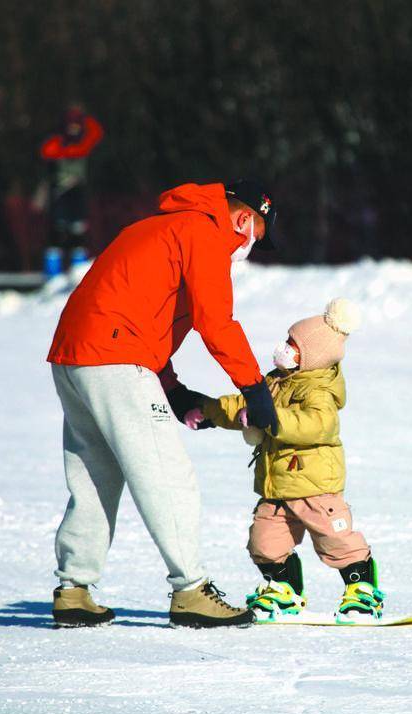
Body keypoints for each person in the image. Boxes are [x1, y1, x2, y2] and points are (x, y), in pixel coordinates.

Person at [47, 179, 278, 628]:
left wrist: (171, 388)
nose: (246, 250)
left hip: (75, 357)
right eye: (254, 240)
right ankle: (191, 590)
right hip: (115, 359)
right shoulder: (204, 232)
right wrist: (254, 388)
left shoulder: (158, 228)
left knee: (95, 474)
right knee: (166, 473)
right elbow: (217, 321)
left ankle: (73, 589)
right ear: (245, 219)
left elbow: (137, 311)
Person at [185, 298, 385, 624]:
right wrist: (208, 409)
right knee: (263, 540)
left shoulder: (319, 388)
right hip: (276, 484)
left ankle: (362, 590)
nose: (284, 348)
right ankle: (284, 590)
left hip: (314, 484)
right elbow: (243, 404)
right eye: (287, 340)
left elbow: (318, 424)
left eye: (293, 345)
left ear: (313, 354)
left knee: (335, 540)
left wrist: (273, 419)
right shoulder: (276, 380)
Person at [39, 104, 104, 276]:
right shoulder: (58, 142)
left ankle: (78, 273)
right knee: (56, 235)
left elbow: (96, 133)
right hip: (60, 194)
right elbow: (47, 151)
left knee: (78, 235)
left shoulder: (83, 143)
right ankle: (52, 276)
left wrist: (84, 118)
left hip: (77, 194)